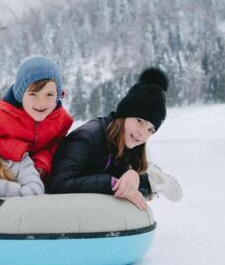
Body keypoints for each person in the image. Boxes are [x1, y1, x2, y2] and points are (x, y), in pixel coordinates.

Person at [47, 67, 182, 210]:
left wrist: (134, 176)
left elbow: (121, 174)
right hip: (70, 203)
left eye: (150, 129)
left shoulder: (130, 144)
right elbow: (57, 184)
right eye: (139, 121)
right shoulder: (86, 137)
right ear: (124, 114)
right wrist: (112, 183)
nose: (142, 133)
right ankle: (150, 177)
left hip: (91, 203)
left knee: (135, 184)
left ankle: (152, 180)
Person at [0, 55, 74, 180]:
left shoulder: (62, 120)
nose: (41, 103)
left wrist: (41, 162)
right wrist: (16, 149)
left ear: (58, 94)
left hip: (32, 177)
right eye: (33, 94)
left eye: (49, 94)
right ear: (20, 94)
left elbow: (53, 147)